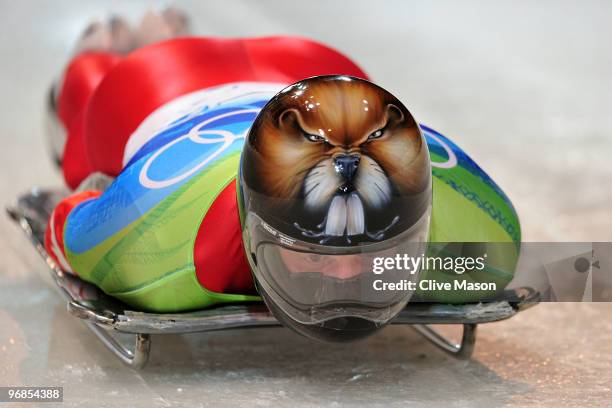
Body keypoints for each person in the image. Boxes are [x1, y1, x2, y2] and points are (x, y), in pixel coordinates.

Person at [44, 11, 520, 340]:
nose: (347, 279)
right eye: (312, 254)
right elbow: (69, 223)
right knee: (87, 91)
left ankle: (153, 34)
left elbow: (66, 222)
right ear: (251, 228)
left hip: (318, 77)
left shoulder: (487, 245)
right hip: (153, 83)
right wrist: (103, 195)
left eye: (379, 252)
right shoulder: (155, 244)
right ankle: (103, 57)